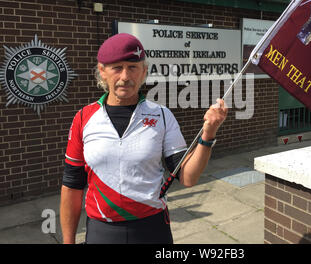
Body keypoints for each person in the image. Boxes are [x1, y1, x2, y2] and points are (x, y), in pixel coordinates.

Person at [60, 33, 228, 244]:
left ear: (144, 72)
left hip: (152, 229)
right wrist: (68, 241)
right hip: (102, 230)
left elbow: (188, 177)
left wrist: (208, 134)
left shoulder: (162, 116)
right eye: (116, 68)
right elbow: (72, 185)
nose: (125, 76)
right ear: (102, 71)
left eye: (132, 67)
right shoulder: (84, 118)